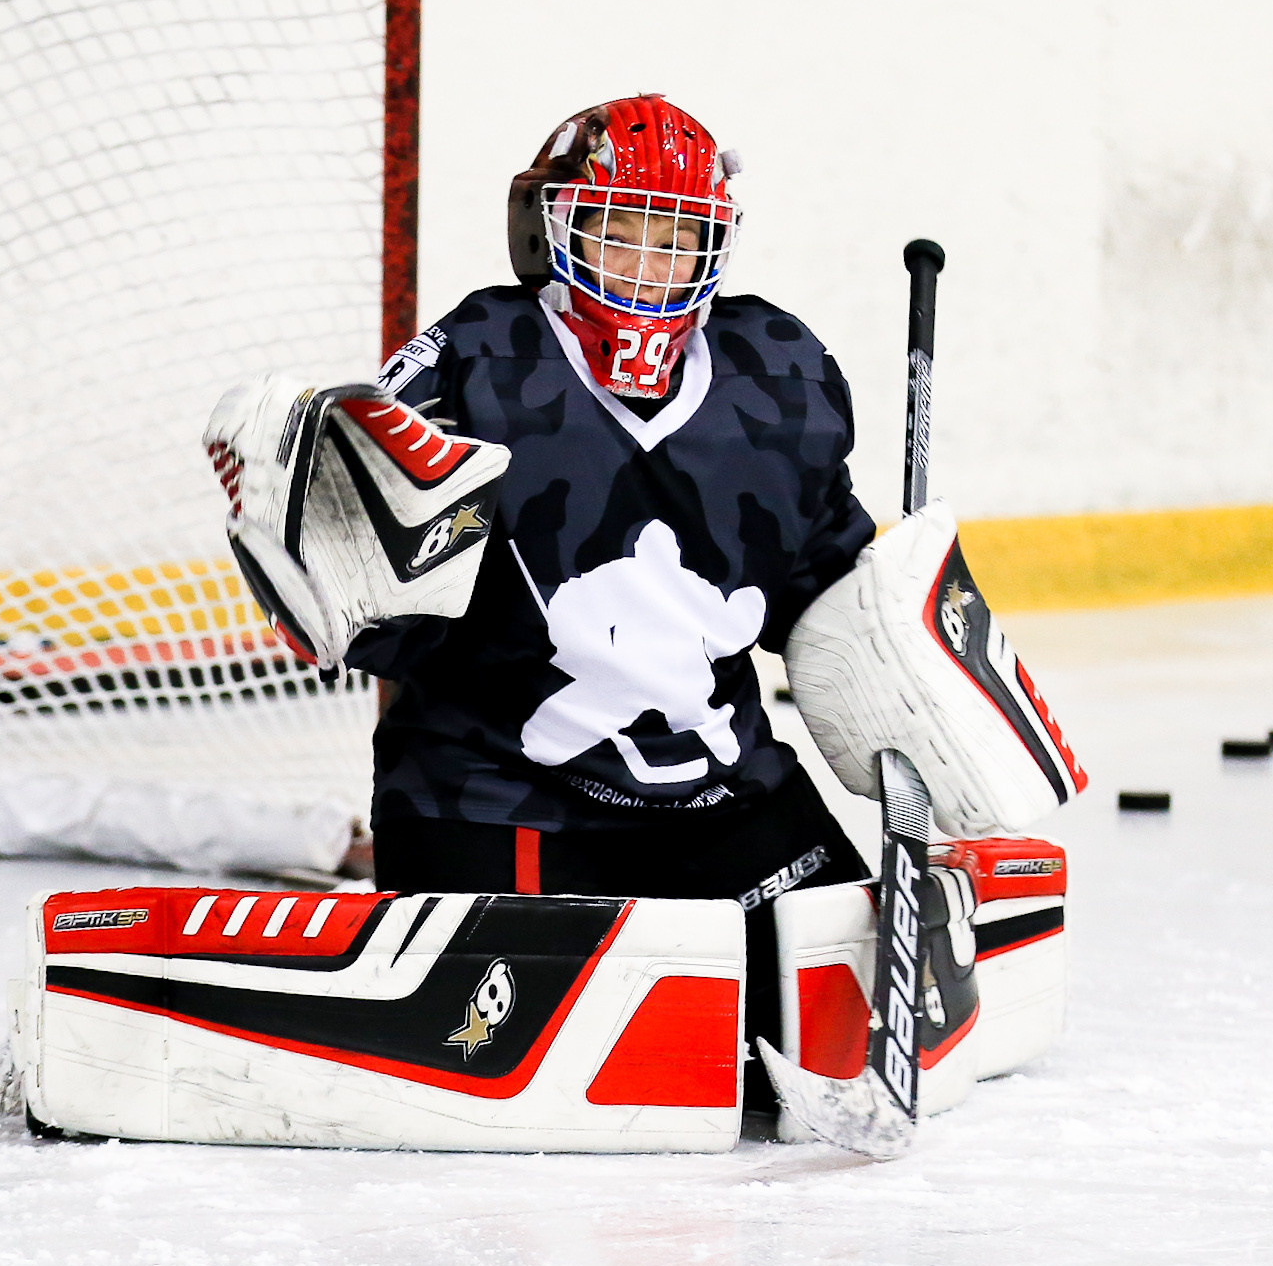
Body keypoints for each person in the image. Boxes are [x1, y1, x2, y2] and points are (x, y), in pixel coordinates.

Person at [344, 94, 880, 1110]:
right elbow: (380, 599)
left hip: (721, 793)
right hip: (495, 791)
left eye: (674, 237)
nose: (645, 261)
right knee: (494, 1057)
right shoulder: (474, 360)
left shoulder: (781, 372)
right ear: (553, 227)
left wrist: (915, 686)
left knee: (850, 1020)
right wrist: (325, 564)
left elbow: (831, 588)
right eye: (615, 227)